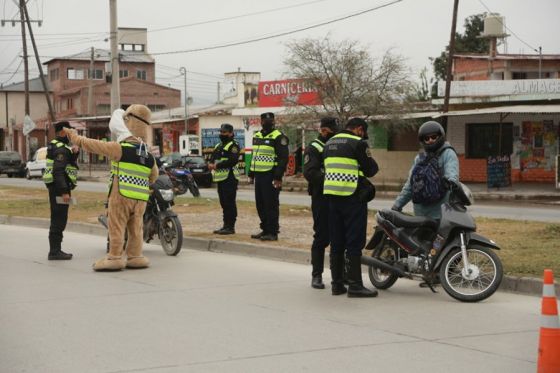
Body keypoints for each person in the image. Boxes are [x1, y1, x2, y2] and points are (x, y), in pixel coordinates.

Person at [64, 105, 159, 271]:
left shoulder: (119, 148)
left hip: (120, 195)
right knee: (136, 228)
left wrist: (74, 137)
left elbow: (93, 145)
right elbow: (153, 177)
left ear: (128, 122)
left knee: (116, 227)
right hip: (141, 200)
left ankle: (115, 257)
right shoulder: (148, 155)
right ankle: (135, 257)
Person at [323, 117, 379, 298]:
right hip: (352, 197)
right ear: (360, 129)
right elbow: (371, 169)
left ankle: (337, 285)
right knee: (354, 242)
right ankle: (355, 285)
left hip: (332, 198)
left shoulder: (329, 142)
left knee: (337, 242)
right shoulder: (358, 143)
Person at [392, 121, 459, 220]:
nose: (430, 140)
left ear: (440, 136)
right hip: (421, 214)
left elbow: (452, 171)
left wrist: (451, 181)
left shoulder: (448, 153)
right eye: (427, 138)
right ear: (422, 141)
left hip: (442, 213)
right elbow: (410, 185)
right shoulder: (419, 158)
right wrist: (397, 205)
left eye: (434, 136)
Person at [303, 117, 338, 289]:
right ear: (323, 130)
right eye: (332, 131)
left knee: (339, 238)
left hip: (338, 197)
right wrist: (332, 180)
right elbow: (310, 172)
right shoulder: (314, 148)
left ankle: (339, 276)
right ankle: (316, 275)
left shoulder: (338, 146)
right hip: (321, 198)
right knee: (321, 236)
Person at [248, 112, 289, 241]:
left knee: (271, 205)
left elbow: (283, 158)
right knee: (260, 204)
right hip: (259, 175)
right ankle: (265, 229)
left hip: (271, 175)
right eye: (265, 120)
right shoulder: (257, 135)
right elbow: (255, 156)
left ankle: (272, 232)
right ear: (261, 121)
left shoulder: (278, 137)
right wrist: (251, 173)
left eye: (270, 120)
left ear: (273, 121)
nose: (267, 122)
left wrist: (278, 176)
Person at [43, 121, 79, 260]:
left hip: (56, 187)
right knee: (59, 219)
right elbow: (58, 171)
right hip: (59, 189)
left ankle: (55, 249)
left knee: (57, 218)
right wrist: (64, 191)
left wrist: (74, 154)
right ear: (63, 132)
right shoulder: (61, 149)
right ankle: (55, 251)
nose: (71, 134)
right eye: (69, 131)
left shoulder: (57, 145)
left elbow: (67, 165)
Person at [209, 123, 240, 235]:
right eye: (221, 132)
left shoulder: (234, 145)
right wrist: (211, 163)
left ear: (231, 133)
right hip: (220, 179)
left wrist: (217, 166)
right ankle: (225, 225)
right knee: (224, 203)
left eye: (224, 132)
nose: (222, 134)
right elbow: (212, 157)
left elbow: (233, 160)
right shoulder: (219, 145)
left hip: (230, 177)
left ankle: (230, 227)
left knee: (229, 203)